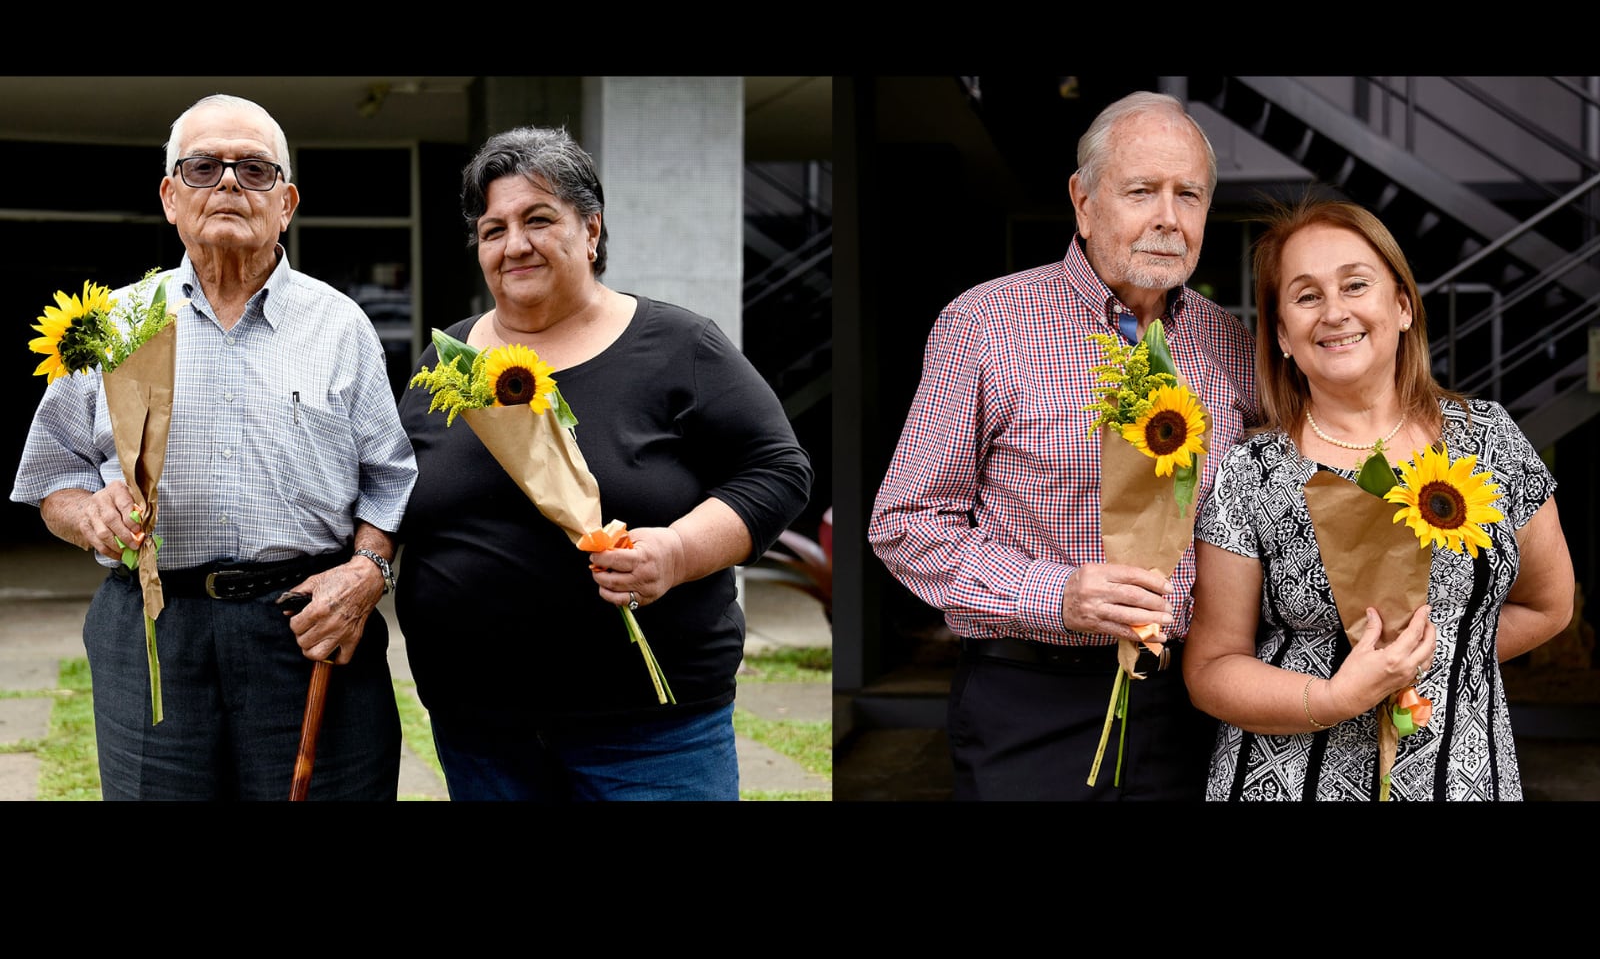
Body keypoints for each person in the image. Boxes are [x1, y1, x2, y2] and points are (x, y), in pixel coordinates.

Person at [10, 94, 418, 800]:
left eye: (255, 170)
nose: (229, 182)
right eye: (203, 167)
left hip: (308, 625)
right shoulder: (110, 325)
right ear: (170, 197)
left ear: (286, 203)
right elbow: (52, 476)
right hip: (152, 629)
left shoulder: (341, 325)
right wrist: (90, 513)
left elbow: (390, 479)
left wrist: (367, 573)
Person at [394, 125, 812, 801]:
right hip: (480, 732)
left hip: (648, 737)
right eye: (493, 229)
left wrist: (677, 552)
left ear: (590, 230)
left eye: (538, 219)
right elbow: (396, 489)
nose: (515, 244)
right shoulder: (449, 364)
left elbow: (778, 470)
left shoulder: (679, 345)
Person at [868, 91, 1258, 800]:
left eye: (1189, 194)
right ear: (1083, 200)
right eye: (1141, 191)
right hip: (1030, 699)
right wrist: (1056, 594)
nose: (1168, 218)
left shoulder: (1229, 341)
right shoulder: (984, 323)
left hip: (1192, 706)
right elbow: (905, 524)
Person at [1183, 197, 1575, 801]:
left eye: (1356, 284)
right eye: (1306, 296)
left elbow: (1550, 606)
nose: (1334, 312)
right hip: (1290, 783)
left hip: (1462, 782)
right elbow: (1211, 669)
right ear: (1283, 334)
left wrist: (1432, 661)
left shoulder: (1489, 441)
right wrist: (1336, 695)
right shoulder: (1251, 472)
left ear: (1402, 306)